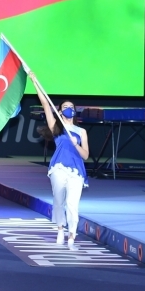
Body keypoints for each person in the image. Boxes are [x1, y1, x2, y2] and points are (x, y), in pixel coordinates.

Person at [32, 73, 89, 251]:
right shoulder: (56, 128)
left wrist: (76, 145)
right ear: (61, 110)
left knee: (72, 204)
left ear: (75, 110)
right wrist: (35, 82)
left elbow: (86, 155)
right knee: (59, 200)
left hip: (76, 171)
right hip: (58, 168)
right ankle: (60, 229)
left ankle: (72, 236)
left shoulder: (81, 131)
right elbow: (45, 105)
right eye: (65, 107)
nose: (68, 109)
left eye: (71, 107)